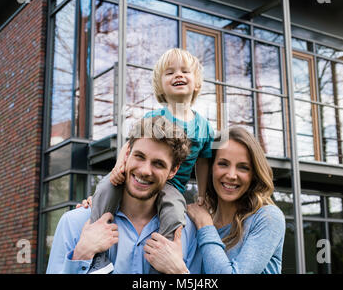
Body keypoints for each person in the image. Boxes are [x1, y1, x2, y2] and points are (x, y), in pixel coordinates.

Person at [87, 48, 214, 273]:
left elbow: (203, 162)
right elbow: (131, 144)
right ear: (160, 86)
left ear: (196, 84)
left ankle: (161, 257)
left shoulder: (203, 126)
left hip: (172, 186)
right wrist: (119, 166)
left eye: (185, 71)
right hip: (138, 179)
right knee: (106, 187)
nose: (178, 75)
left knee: (174, 212)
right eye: (170, 73)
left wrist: (202, 193)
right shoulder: (154, 118)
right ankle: (99, 254)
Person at [46, 116, 202, 274]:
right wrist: (81, 254)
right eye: (139, 156)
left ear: (173, 171)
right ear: (127, 154)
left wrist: (179, 272)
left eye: (158, 164)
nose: (144, 171)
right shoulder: (74, 223)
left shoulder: (186, 232)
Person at [145, 126, 286, 274]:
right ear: (210, 168)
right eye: (223, 164)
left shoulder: (267, 218)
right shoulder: (195, 224)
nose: (231, 175)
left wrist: (179, 271)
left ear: (254, 174)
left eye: (243, 167)